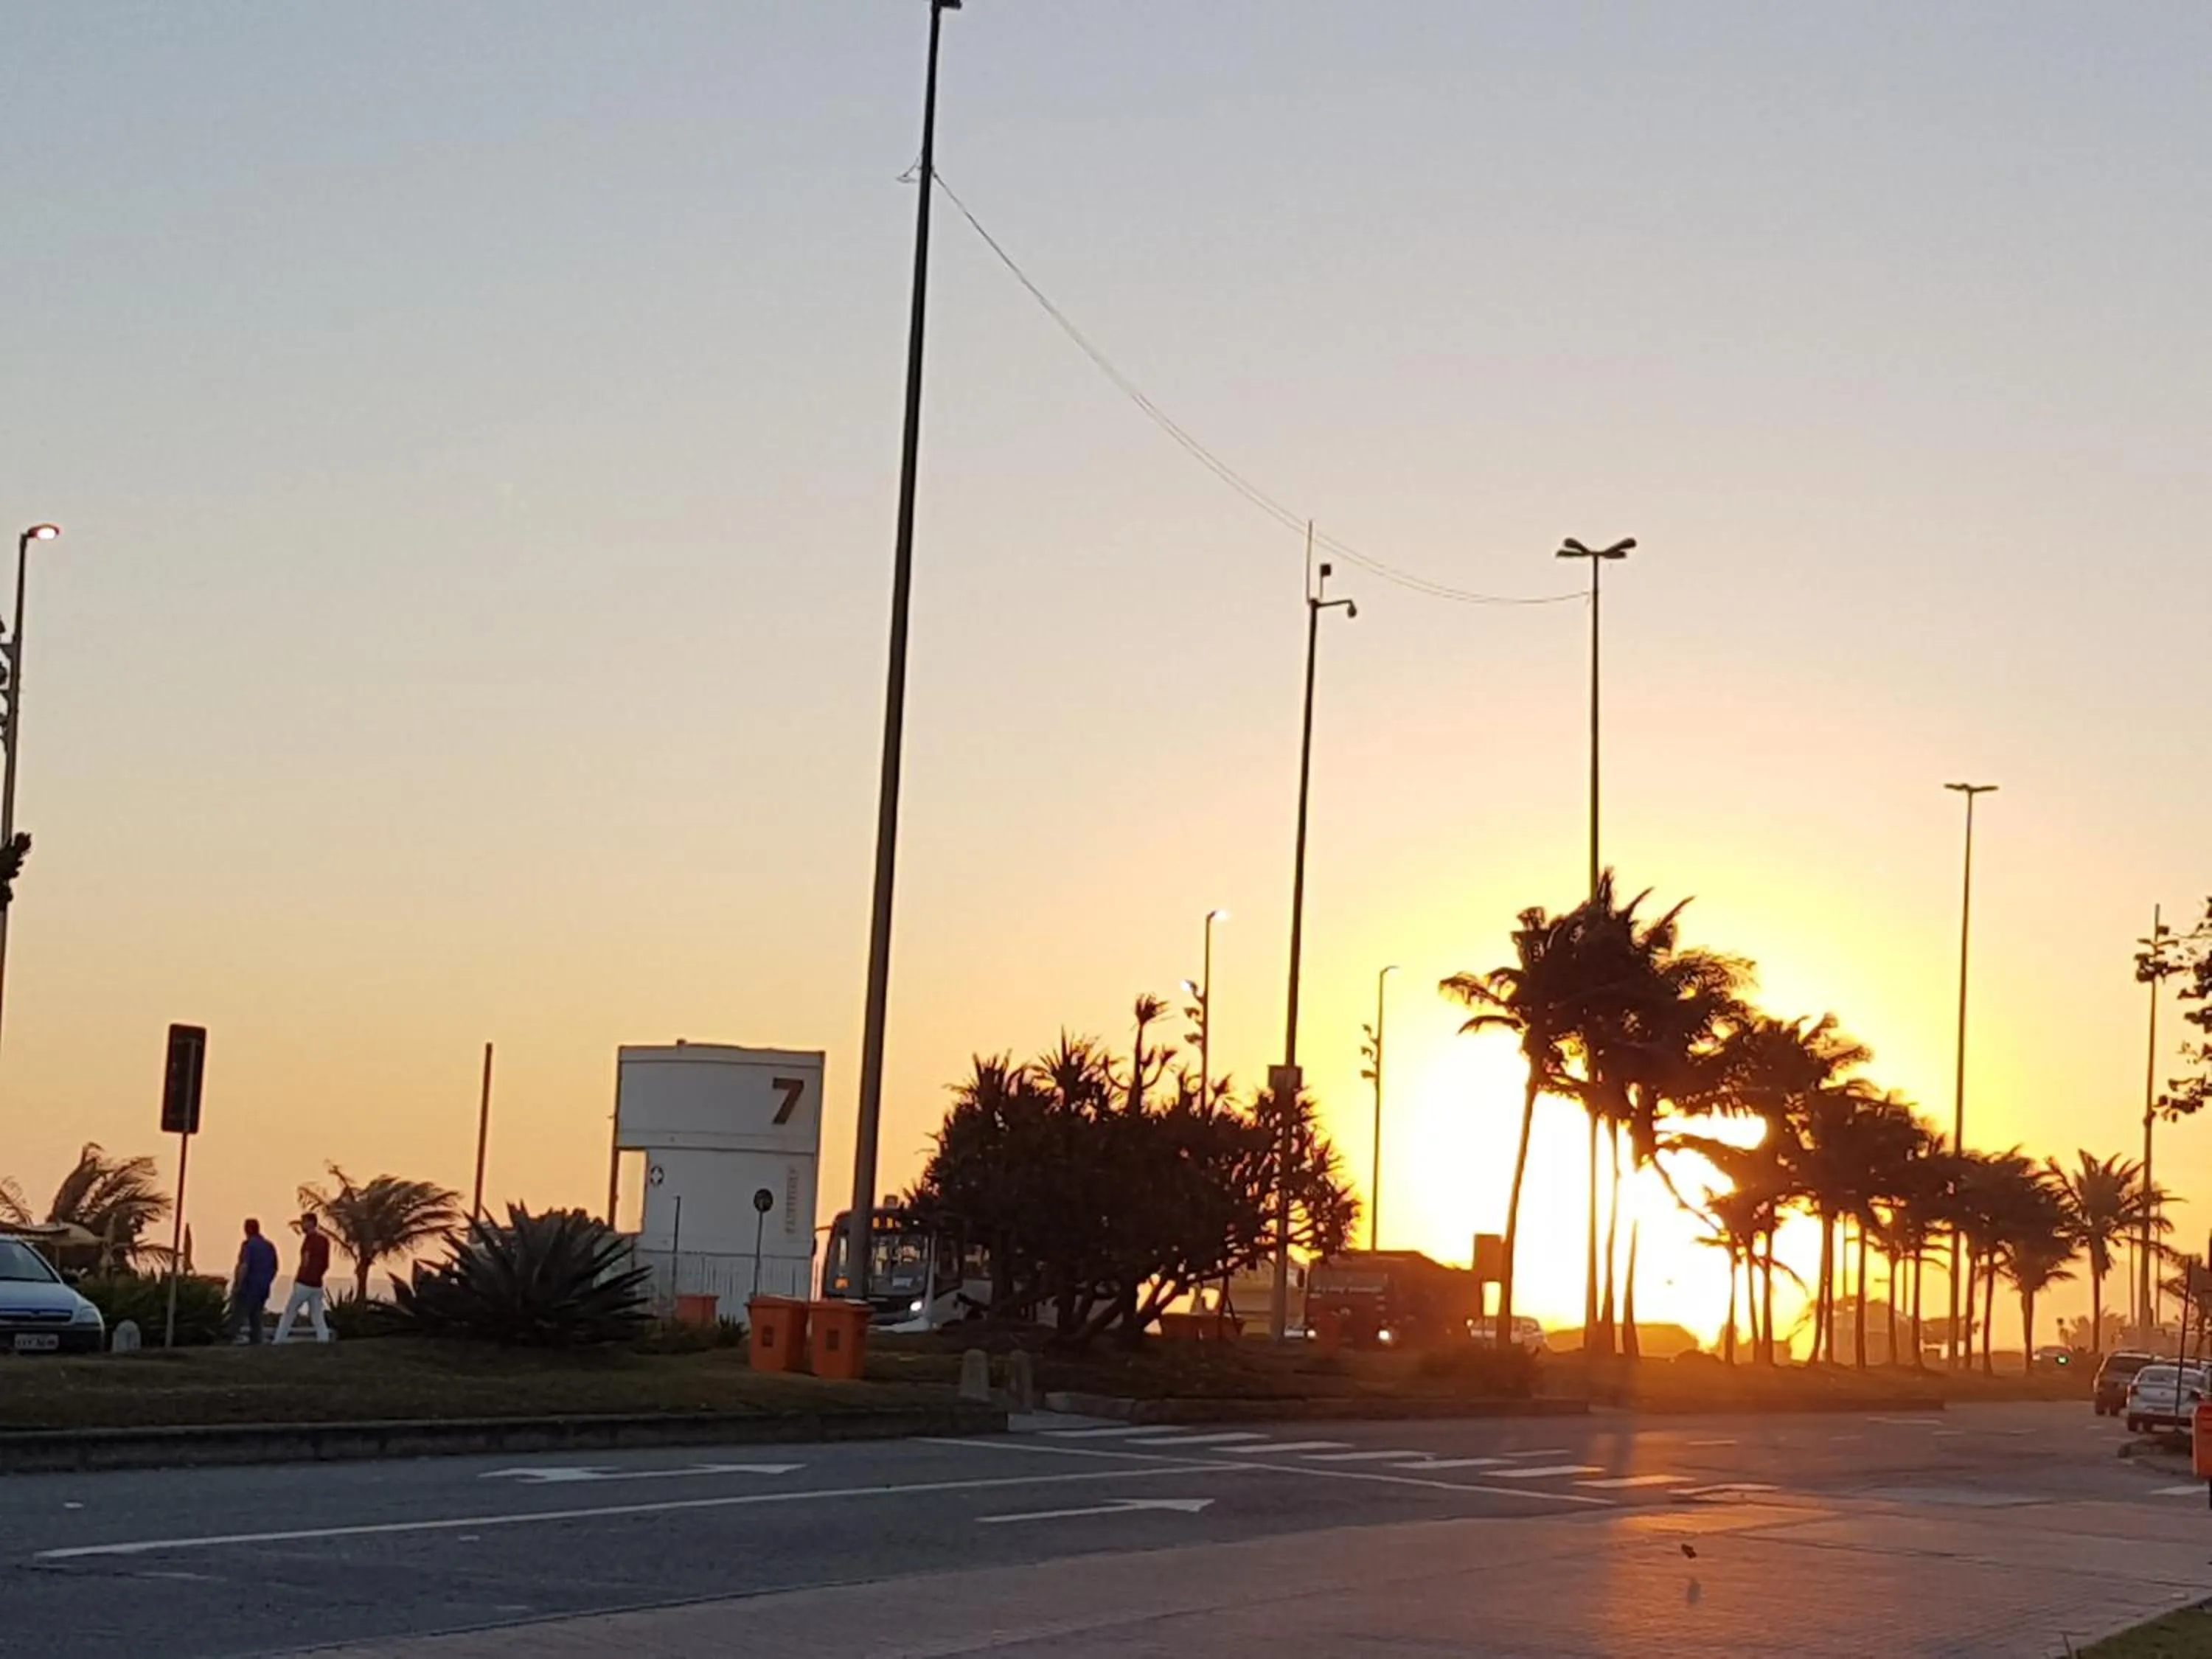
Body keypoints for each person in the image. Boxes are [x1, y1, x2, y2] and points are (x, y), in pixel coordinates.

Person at [274, 1211, 333, 1344]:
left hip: (304, 1283)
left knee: (290, 1312)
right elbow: (326, 1263)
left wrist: (300, 1276)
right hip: (317, 1284)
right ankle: (323, 1339)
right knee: (317, 1314)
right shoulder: (324, 1240)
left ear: (311, 1222)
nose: (302, 1225)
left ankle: (279, 1340)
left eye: (304, 1222)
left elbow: (305, 1260)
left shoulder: (310, 1240)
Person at [231, 1218, 278, 1344]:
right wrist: (267, 1281)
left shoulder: (248, 1245)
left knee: (238, 1314)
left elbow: (244, 1266)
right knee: (256, 1316)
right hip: (263, 1288)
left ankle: (229, 1338)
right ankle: (256, 1340)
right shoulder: (269, 1246)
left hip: (249, 1286)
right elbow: (275, 1268)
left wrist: (238, 1285)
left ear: (246, 1230)